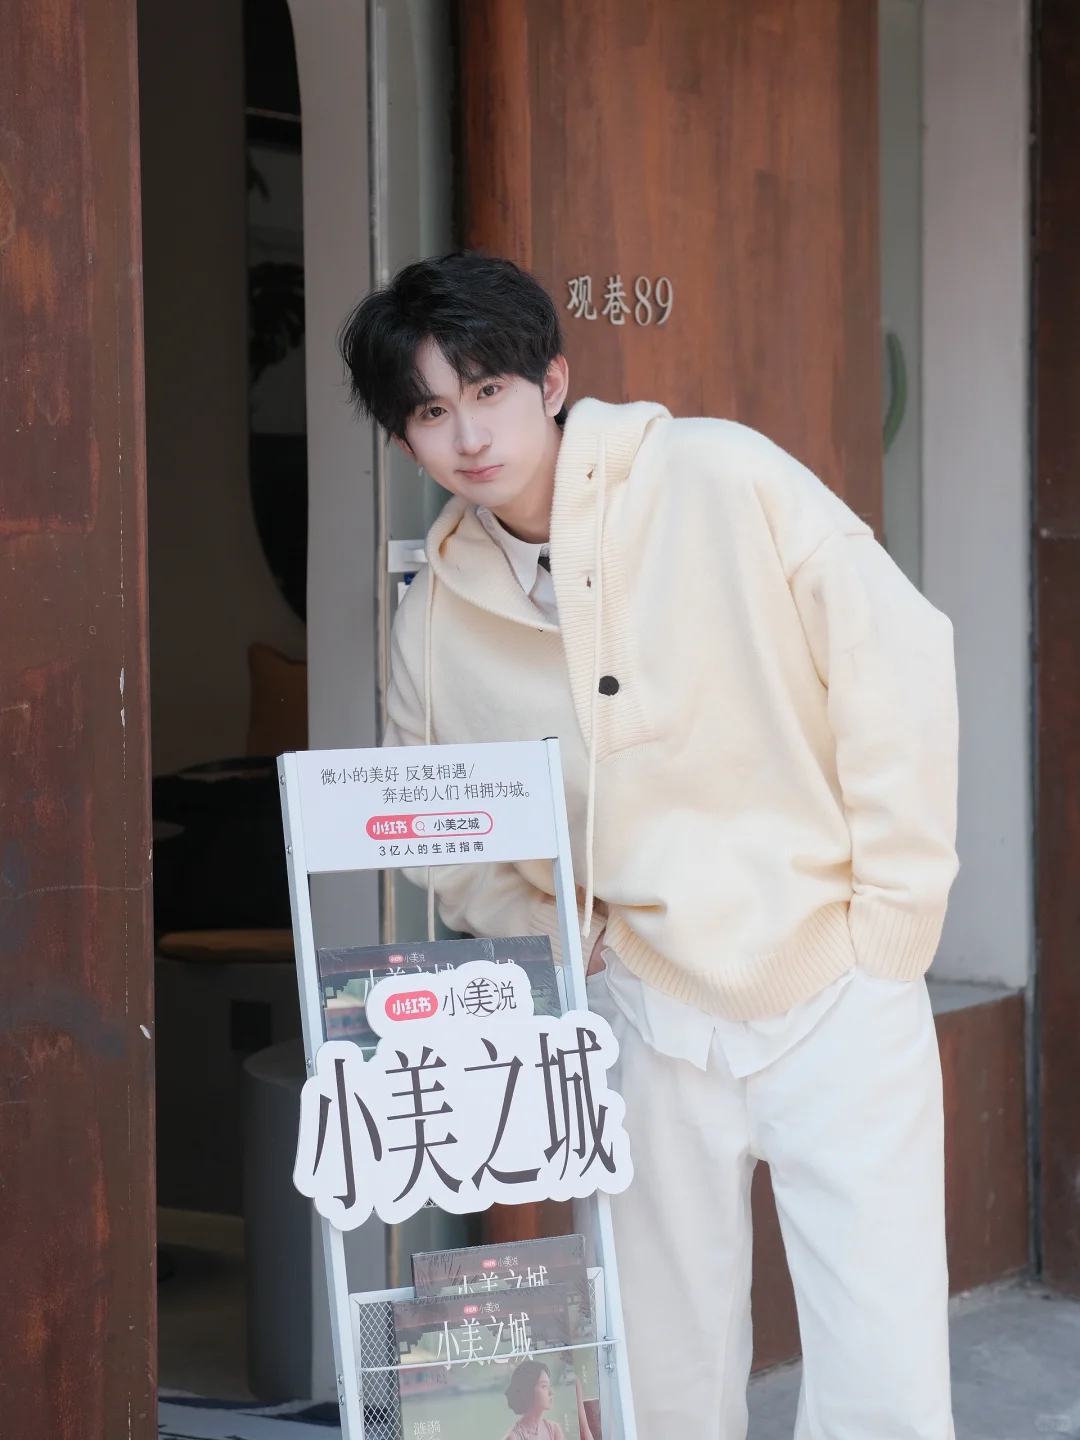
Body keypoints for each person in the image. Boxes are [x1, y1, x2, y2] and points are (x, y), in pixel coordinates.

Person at [340, 252, 960, 1440]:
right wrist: (565, 936)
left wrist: (894, 917)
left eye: (488, 391)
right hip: (644, 1007)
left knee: (880, 1360)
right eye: (428, 411)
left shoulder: (719, 474)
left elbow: (898, 659)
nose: (468, 435)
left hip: (835, 975)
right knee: (660, 1368)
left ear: (551, 380)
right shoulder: (434, 617)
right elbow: (439, 825)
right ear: (405, 438)